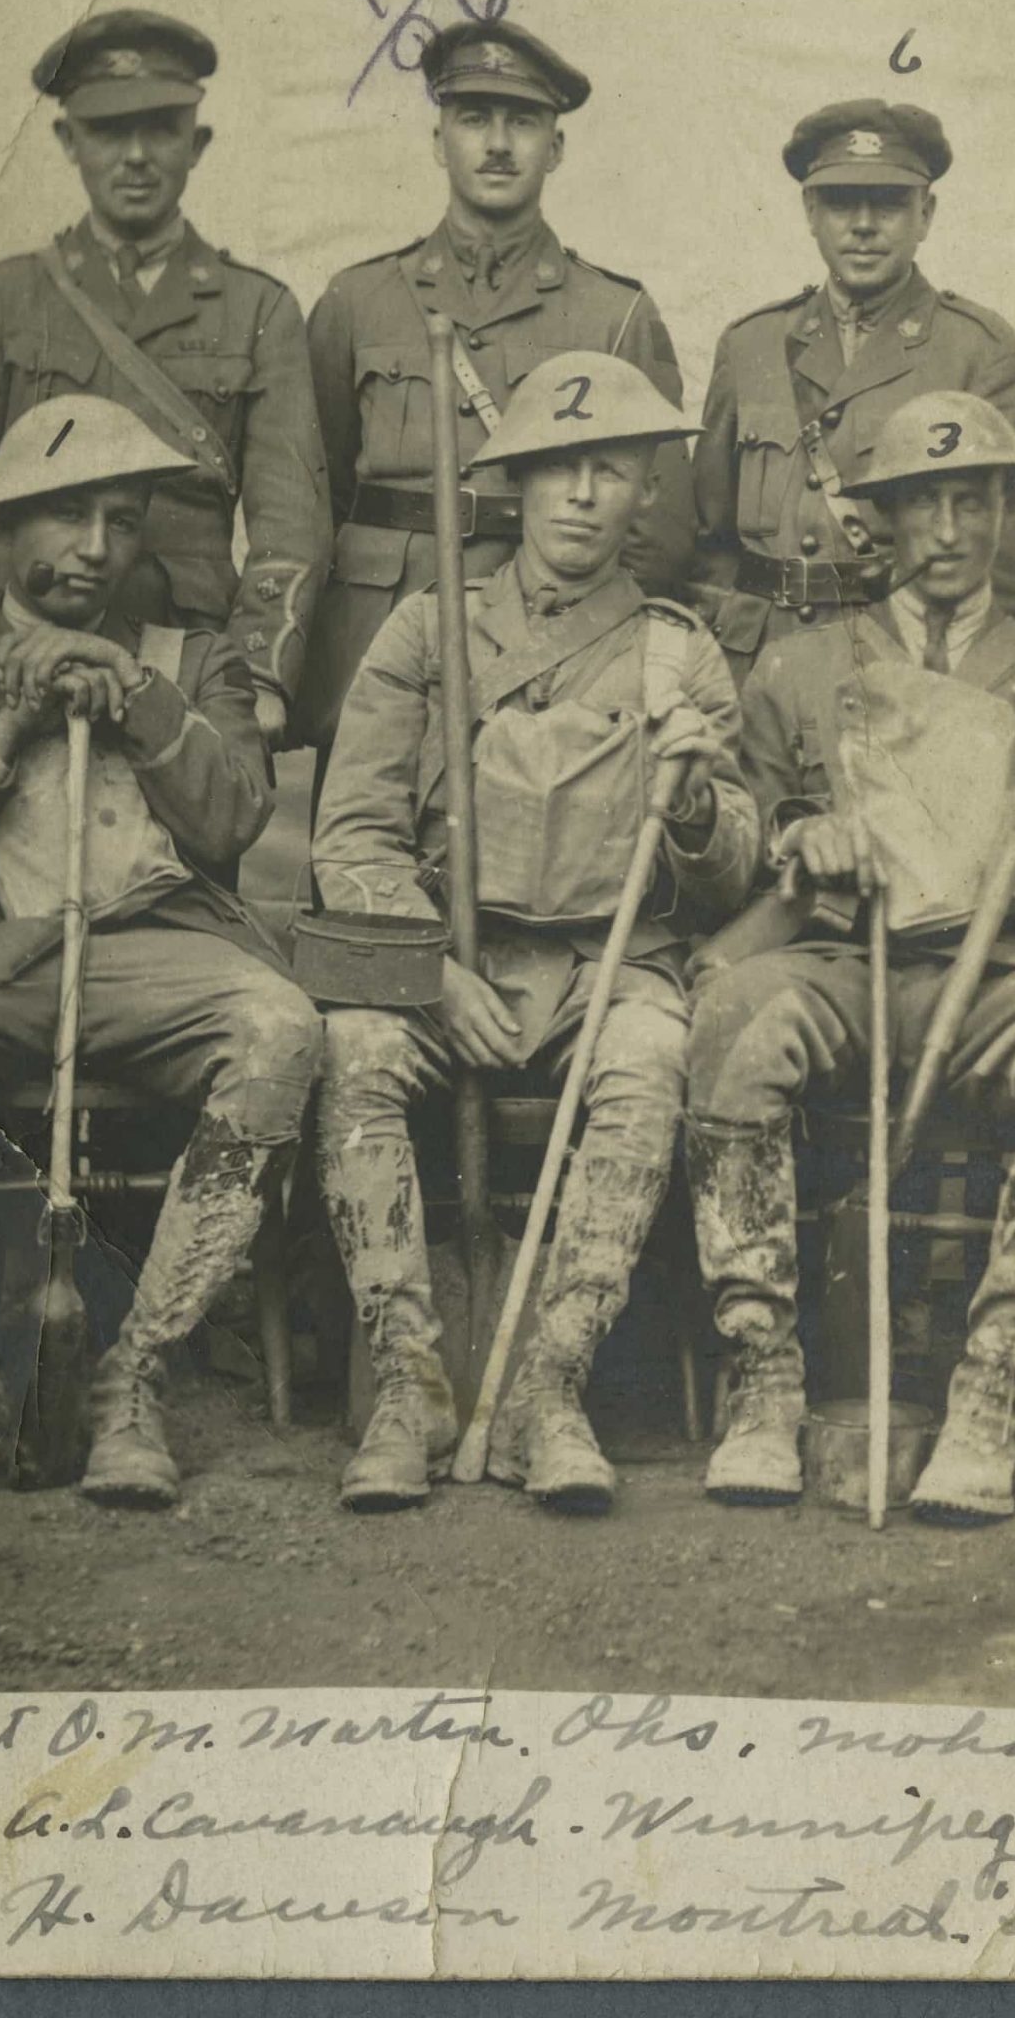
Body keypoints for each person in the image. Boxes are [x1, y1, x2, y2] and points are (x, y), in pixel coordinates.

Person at [0, 397, 323, 1508]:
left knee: (280, 1028)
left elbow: (231, 821)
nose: (95, 547)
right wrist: (2, 732)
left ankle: (135, 1380)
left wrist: (133, 695)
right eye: (66, 514)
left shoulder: (193, 658)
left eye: (121, 521)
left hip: (155, 956)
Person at [683, 393, 1015, 1519]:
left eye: (972, 501)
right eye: (922, 503)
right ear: (880, 519)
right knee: (735, 1016)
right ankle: (764, 1374)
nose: (947, 530)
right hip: (845, 961)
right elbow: (734, 866)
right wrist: (800, 836)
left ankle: (993, 1381)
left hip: (1002, 977)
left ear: (1005, 513)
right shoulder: (799, 667)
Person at [311, 352, 758, 1516]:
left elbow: (735, 873)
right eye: (559, 467)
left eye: (610, 469)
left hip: (608, 967)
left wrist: (695, 805)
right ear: (514, 480)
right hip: (448, 961)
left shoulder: (676, 650)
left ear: (645, 490)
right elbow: (352, 832)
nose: (582, 494)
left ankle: (551, 1384)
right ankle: (408, 1384)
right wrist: (426, 969)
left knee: (654, 1055)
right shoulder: (428, 630)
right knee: (354, 1050)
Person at [0, 9, 330, 745]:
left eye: (161, 129)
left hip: (175, 657)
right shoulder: (6, 300)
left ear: (197, 143)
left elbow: (290, 525)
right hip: (5, 652)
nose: (136, 156)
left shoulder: (259, 310)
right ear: (68, 141)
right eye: (110, 131)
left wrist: (259, 679)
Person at [296, 18, 697, 746]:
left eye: (524, 121)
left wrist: (584, 655)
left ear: (557, 148)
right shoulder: (359, 301)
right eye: (474, 118)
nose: (499, 143)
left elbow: (656, 528)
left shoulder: (614, 314)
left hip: (545, 657)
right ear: (438, 139)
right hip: (375, 646)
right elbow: (315, 494)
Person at [691, 100, 1015, 685]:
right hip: (755, 674)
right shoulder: (751, 344)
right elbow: (709, 547)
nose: (862, 225)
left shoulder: (979, 351)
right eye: (840, 202)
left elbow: (1006, 574)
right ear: (810, 211)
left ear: (925, 214)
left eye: (888, 203)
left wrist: (965, 707)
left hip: (896, 676)